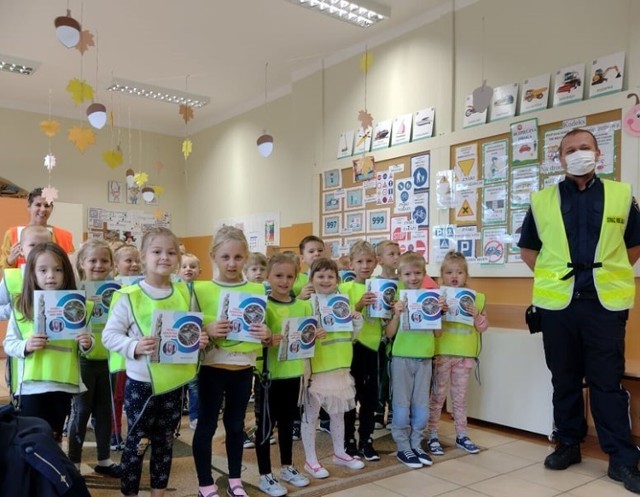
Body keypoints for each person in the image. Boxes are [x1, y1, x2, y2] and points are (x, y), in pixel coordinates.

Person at [518, 128, 640, 493]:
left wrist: (604, 273)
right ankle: (568, 443)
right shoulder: (541, 200)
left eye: (584, 147)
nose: (578, 153)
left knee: (607, 382)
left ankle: (621, 457)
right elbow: (529, 251)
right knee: (565, 379)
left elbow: (633, 246)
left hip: (605, 305)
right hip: (558, 306)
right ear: (560, 159)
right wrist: (558, 278)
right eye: (570, 150)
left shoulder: (622, 195)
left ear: (598, 153)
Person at [102, 227, 208, 497]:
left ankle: (158, 493)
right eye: (157, 251)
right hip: (141, 383)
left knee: (165, 441)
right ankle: (130, 493)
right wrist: (134, 346)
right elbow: (110, 336)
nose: (165, 257)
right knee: (137, 443)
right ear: (143, 256)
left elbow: (192, 328)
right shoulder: (128, 295)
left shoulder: (185, 292)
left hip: (174, 381)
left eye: (171, 252)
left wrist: (199, 339)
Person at [191, 226, 270, 497]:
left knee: (236, 426)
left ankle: (235, 479)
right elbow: (189, 332)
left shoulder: (257, 289)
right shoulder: (200, 289)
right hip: (211, 368)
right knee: (207, 424)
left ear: (246, 256)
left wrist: (267, 333)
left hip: (243, 368)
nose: (232, 263)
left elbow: (264, 327)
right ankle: (205, 483)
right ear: (214, 256)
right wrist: (206, 330)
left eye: (238, 257)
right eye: (225, 257)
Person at [2, 242, 93, 442]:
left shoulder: (77, 306)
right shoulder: (21, 306)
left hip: (63, 385)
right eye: (43, 270)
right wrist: (26, 345)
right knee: (31, 439)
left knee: (54, 438)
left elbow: (86, 346)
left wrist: (87, 343)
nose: (50, 275)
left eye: (58, 269)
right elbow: (9, 343)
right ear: (32, 274)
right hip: (31, 386)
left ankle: (52, 473)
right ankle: (30, 474)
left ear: (66, 273)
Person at [254, 253, 313, 497]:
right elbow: (253, 340)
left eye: (290, 276)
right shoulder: (262, 305)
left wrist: (313, 335)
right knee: (265, 427)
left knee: (288, 424)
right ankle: (265, 474)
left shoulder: (303, 305)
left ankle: (287, 467)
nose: (284, 281)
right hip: (268, 376)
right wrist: (267, 341)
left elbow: (306, 336)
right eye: (278, 275)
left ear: (296, 277)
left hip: (293, 373)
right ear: (268, 276)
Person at [301, 257, 365, 479]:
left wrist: (356, 321)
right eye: (320, 276)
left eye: (330, 276)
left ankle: (340, 452)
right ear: (311, 279)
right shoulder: (307, 304)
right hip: (317, 370)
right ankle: (310, 460)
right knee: (312, 415)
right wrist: (311, 333)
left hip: (340, 367)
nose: (326, 280)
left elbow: (351, 336)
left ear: (337, 279)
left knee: (338, 414)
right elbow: (299, 338)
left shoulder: (342, 302)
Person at [68, 240, 121, 477]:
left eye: (104, 260)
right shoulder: (74, 289)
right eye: (93, 260)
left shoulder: (118, 290)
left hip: (109, 360)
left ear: (112, 264)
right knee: (81, 412)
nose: (99, 265)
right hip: (83, 361)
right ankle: (74, 462)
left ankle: (104, 459)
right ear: (82, 263)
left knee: (104, 411)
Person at [427, 250, 488, 456]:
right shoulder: (435, 297)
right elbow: (428, 323)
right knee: (437, 397)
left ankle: (462, 434)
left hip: (464, 357)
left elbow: (482, 327)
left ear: (466, 275)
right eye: (449, 272)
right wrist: (438, 311)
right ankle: (433, 434)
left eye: (460, 272)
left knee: (460, 399)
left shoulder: (476, 299)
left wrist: (477, 315)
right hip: (442, 354)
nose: (454, 276)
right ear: (441, 275)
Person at [385, 252, 441, 469]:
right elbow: (389, 334)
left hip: (425, 358)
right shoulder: (397, 297)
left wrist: (438, 313)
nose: (413, 277)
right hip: (401, 358)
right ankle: (402, 446)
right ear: (400, 275)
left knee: (421, 406)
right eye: (407, 274)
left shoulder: (431, 297)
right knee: (401, 405)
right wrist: (397, 314)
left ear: (425, 274)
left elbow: (437, 335)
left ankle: (416, 444)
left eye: (418, 273)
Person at [339, 240, 383, 461]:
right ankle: (348, 440)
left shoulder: (380, 286)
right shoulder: (344, 288)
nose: (365, 265)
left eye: (369, 261)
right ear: (351, 264)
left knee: (370, 397)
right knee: (349, 396)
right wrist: (358, 305)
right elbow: (339, 317)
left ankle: (366, 438)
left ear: (376, 263)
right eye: (360, 261)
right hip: (352, 347)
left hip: (373, 347)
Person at [109, 243, 142, 450]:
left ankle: (136, 432)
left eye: (137, 260)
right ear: (116, 264)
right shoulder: (110, 287)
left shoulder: (143, 286)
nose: (133, 264)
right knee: (117, 395)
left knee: (134, 395)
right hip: (116, 350)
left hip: (138, 350)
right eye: (128, 260)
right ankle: (114, 432)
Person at [1, 187, 75, 269]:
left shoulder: (65, 236)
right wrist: (9, 260)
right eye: (38, 205)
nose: (43, 209)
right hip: (22, 281)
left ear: (52, 208)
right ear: (29, 207)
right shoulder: (12, 234)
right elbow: (3, 268)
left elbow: (72, 266)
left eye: (47, 206)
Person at [373, 240, 400, 431]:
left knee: (393, 376)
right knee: (379, 375)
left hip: (400, 337)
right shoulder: (374, 284)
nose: (397, 257)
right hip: (379, 337)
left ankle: (392, 412)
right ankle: (377, 410)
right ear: (379, 259)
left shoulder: (404, 281)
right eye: (391, 254)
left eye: (398, 253)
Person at [0, 226, 52, 322]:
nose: (38, 250)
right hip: (24, 337)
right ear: (21, 250)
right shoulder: (11, 278)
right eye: (32, 245)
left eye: (44, 245)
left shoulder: (60, 274)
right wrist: (15, 309)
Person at [179, 253, 202, 430]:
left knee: (194, 383)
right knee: (179, 382)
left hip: (196, 342)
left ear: (199, 271)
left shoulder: (202, 291)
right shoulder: (174, 290)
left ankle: (195, 415)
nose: (188, 269)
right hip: (178, 340)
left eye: (192, 266)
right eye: (184, 266)